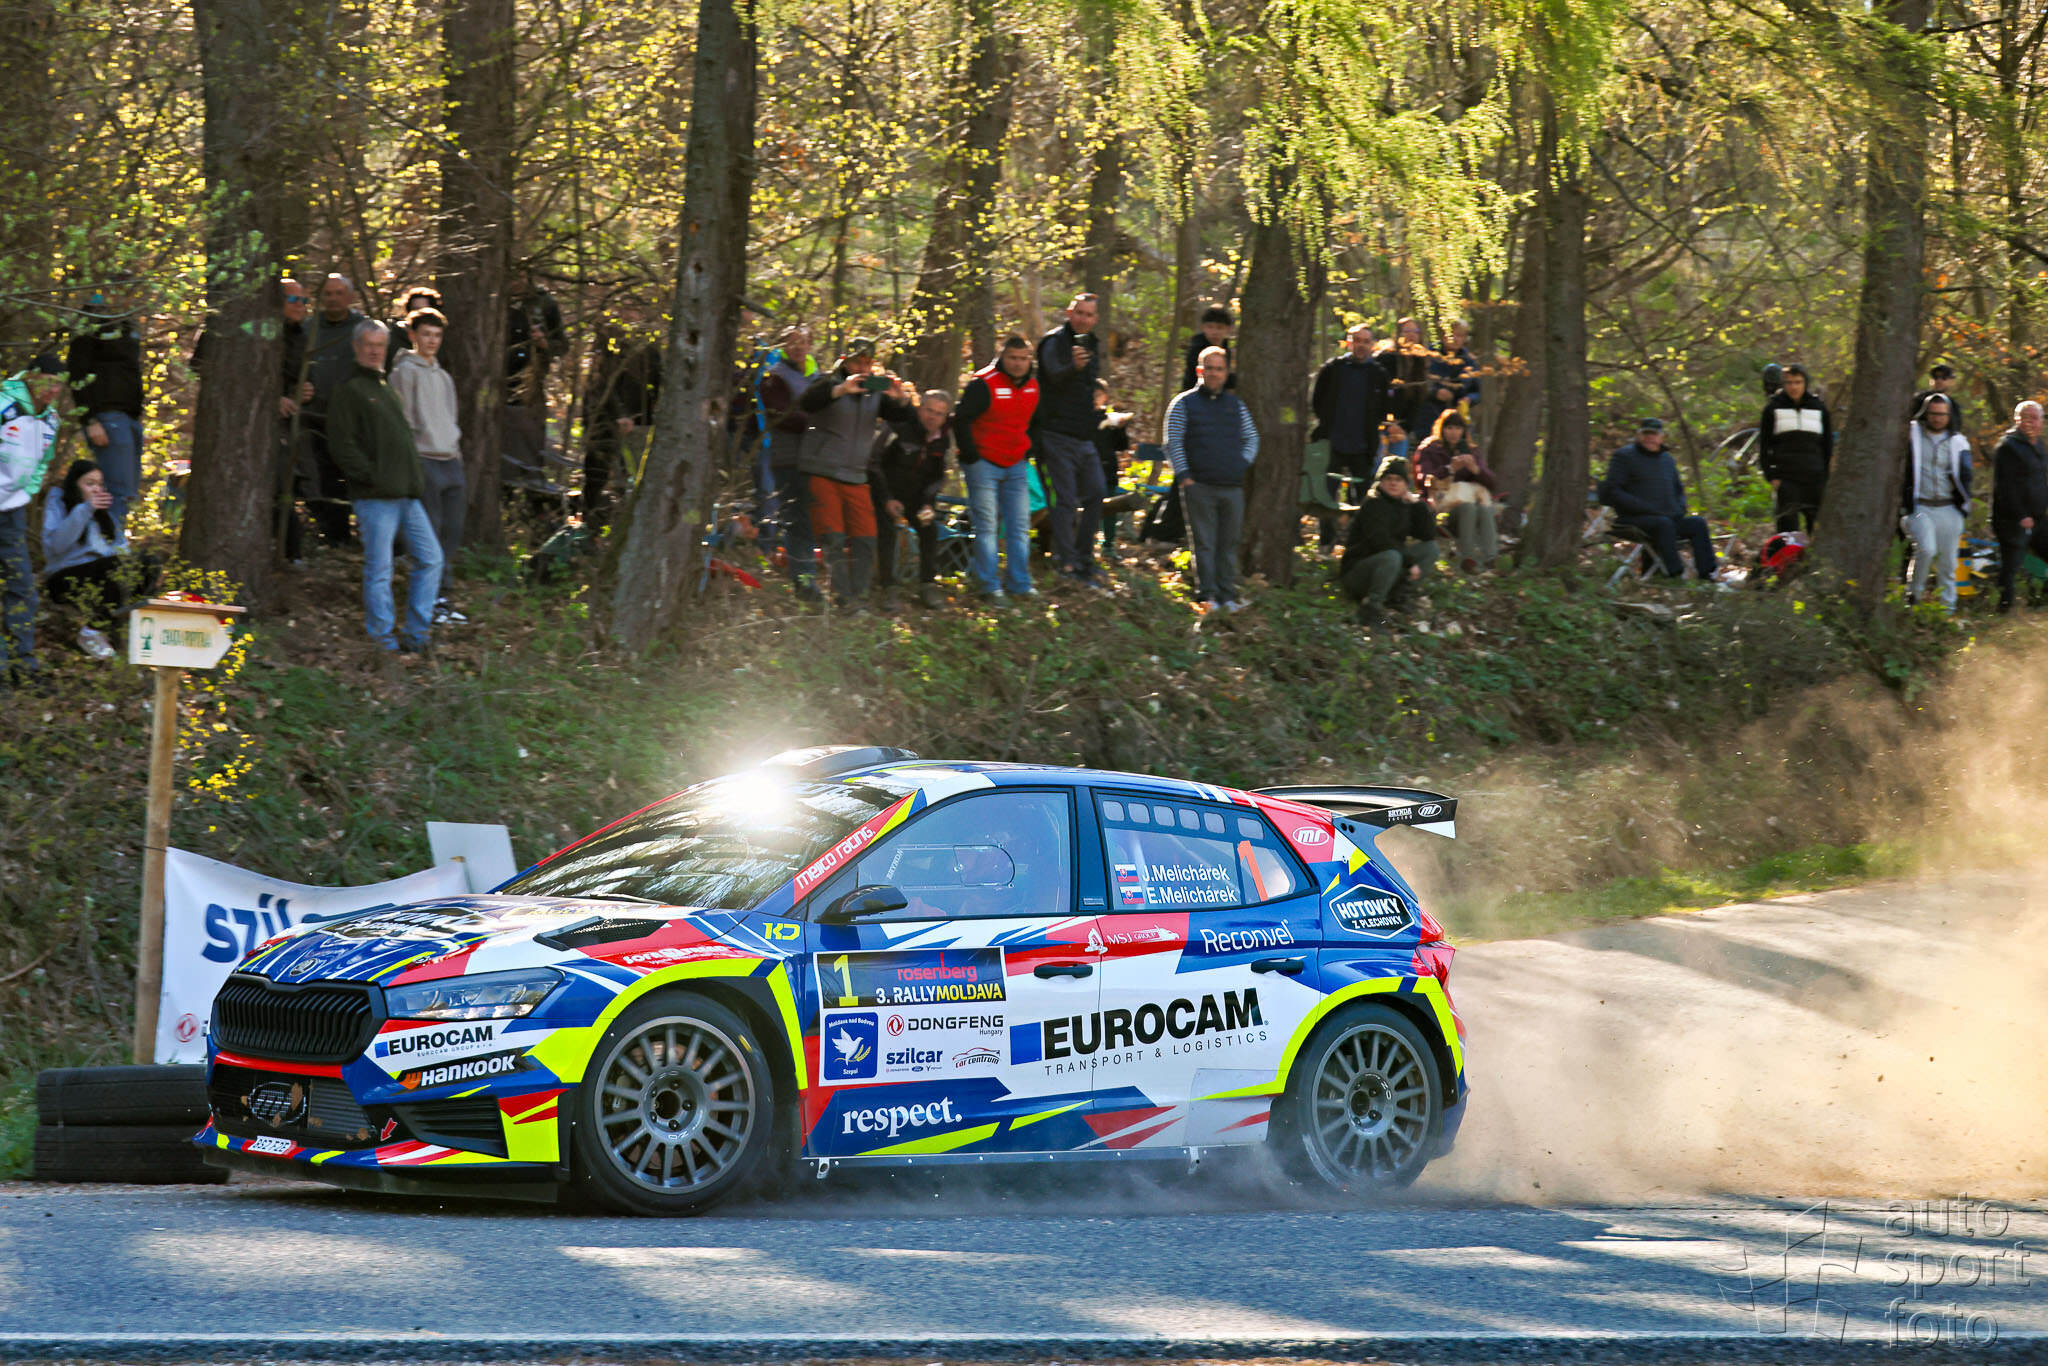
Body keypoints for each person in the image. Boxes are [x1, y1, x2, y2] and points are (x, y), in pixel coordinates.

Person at [324, 322, 444, 653]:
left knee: (431, 559)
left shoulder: (385, 388)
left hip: (406, 495)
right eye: (368, 344)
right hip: (375, 497)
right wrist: (371, 476)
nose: (374, 350)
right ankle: (383, 641)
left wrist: (411, 479)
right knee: (380, 569)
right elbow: (342, 445)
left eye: (380, 344)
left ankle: (417, 636)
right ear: (356, 347)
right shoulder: (349, 390)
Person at [797, 338, 914, 609]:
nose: (862, 367)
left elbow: (904, 419)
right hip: (823, 469)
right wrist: (841, 389)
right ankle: (843, 597)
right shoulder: (827, 382)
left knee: (866, 535)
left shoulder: (874, 390)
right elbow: (807, 403)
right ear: (844, 360)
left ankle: (859, 595)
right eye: (856, 361)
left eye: (867, 362)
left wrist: (900, 398)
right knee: (833, 536)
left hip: (856, 474)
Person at [387, 308, 465, 623]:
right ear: (412, 336)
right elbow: (401, 422)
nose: (432, 341)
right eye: (426, 334)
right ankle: (426, 602)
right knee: (428, 536)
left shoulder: (443, 377)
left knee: (450, 534)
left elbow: (451, 417)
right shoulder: (404, 373)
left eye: (437, 336)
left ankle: (443, 598)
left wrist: (456, 453)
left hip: (451, 461)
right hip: (424, 460)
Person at [1165, 344, 1258, 612]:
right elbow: (1173, 442)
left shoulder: (1235, 405)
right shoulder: (1184, 403)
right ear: (1199, 371)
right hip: (1199, 485)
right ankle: (1208, 596)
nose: (1215, 373)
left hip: (1231, 486)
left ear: (1226, 373)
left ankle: (1227, 596)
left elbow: (1252, 437)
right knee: (1204, 544)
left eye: (1220, 369)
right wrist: (1185, 476)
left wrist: (1241, 465)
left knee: (1228, 544)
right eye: (1210, 368)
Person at [42, 459, 159, 658]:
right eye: (90, 484)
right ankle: (91, 631)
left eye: (100, 484)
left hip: (102, 575)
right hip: (64, 577)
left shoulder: (105, 516)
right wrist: (85, 509)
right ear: (75, 485)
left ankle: (126, 634)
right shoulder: (59, 503)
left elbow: (121, 551)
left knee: (149, 562)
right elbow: (56, 545)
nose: (96, 489)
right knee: (115, 567)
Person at [953, 333, 1040, 600]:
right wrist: (971, 456)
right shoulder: (984, 383)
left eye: (1023, 358)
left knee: (1019, 526)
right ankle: (989, 585)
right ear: (1002, 357)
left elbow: (1036, 421)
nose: (1018, 363)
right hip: (983, 464)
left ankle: (1019, 583)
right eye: (1013, 358)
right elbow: (961, 419)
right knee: (987, 525)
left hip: (1016, 464)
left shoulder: (1033, 386)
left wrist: (1028, 451)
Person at [1033, 293, 1110, 587]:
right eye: (1079, 312)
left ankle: (1084, 559)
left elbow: (1089, 388)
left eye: (1089, 315)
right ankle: (1067, 562)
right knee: (1063, 500)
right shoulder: (1054, 342)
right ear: (1069, 312)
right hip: (1054, 434)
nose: (1083, 319)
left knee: (1096, 492)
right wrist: (1072, 368)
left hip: (1083, 436)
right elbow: (1051, 375)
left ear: (1095, 319)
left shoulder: (1093, 344)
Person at [0, 354, 65, 686]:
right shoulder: (4, 404)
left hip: (12, 512)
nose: (53, 390)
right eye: (48, 382)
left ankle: (22, 668)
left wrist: (27, 491)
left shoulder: (51, 421)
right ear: (32, 377)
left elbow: (42, 463)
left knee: (22, 586)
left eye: (59, 385)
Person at [1598, 417, 1719, 579]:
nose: (1650, 438)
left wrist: (1680, 507)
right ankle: (1674, 574)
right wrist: (1641, 506)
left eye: (1654, 434)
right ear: (1639, 435)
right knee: (1663, 524)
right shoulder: (1624, 456)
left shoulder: (1667, 460)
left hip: (1667, 518)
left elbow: (1678, 490)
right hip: (1634, 519)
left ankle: (1707, 574)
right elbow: (1613, 491)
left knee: (1697, 523)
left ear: (1662, 437)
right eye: (1646, 434)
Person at [299, 273, 369, 544]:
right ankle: (335, 537)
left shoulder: (362, 328)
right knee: (322, 479)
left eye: (339, 293)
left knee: (355, 476)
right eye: (328, 294)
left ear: (350, 297)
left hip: (354, 420)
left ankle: (367, 533)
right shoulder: (308, 329)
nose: (333, 299)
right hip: (315, 419)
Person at [66, 290, 145, 529]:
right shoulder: (90, 324)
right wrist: (90, 420)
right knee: (118, 489)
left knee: (129, 490)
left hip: (130, 417)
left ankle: (114, 539)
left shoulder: (129, 326)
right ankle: (111, 545)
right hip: (106, 417)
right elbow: (77, 373)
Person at [1310, 323, 1393, 551]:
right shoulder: (1332, 369)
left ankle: (1356, 545)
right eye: (1357, 340)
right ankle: (1326, 543)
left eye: (1366, 341)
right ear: (1348, 343)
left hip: (1363, 446)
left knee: (1363, 498)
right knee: (1326, 495)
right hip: (1332, 443)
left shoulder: (1378, 374)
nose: (1361, 345)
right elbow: (1317, 401)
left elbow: (1384, 408)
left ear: (1372, 345)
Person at [870, 388, 953, 610]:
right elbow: (874, 463)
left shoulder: (942, 438)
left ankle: (927, 585)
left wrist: (928, 502)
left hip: (917, 499)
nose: (932, 417)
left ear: (945, 417)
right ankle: (889, 588)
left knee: (929, 528)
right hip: (884, 493)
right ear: (919, 408)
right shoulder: (898, 426)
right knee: (887, 531)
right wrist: (886, 498)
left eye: (939, 413)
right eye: (929, 410)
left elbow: (938, 475)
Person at [581, 321, 661, 530]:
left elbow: (658, 380)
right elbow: (600, 384)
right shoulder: (606, 342)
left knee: (632, 479)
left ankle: (626, 527)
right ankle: (591, 528)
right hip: (604, 424)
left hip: (639, 424)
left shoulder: (650, 344)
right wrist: (619, 415)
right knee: (597, 475)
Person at [1338, 455, 1437, 626]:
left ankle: (1398, 596)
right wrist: (1409, 563)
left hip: (1388, 566)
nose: (1393, 483)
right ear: (1380, 482)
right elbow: (1380, 541)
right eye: (1388, 479)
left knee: (1431, 549)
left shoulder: (1404, 505)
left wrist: (1417, 505)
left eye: (1398, 480)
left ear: (1405, 484)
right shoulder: (1373, 504)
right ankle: (1371, 607)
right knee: (1392, 556)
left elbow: (1428, 535)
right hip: (1358, 572)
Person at [757, 325, 819, 595]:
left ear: (810, 345)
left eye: (803, 342)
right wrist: (818, 423)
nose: (798, 347)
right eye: (792, 342)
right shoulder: (774, 377)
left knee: (810, 520)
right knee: (797, 520)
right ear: (782, 346)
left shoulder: (816, 376)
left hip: (814, 459)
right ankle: (804, 582)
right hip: (788, 458)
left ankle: (808, 575)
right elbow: (781, 416)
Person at [1900, 393, 1971, 611]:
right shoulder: (1911, 435)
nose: (1938, 418)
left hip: (1948, 507)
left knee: (1948, 563)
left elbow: (1966, 476)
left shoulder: (1958, 441)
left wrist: (1963, 508)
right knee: (1926, 549)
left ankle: (1946, 611)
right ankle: (1913, 598)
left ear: (1949, 416)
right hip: (1920, 506)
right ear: (1925, 413)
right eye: (1933, 414)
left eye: (1942, 414)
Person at [1412, 410, 1500, 572]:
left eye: (1458, 428)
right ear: (1442, 429)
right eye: (1450, 428)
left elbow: (1491, 483)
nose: (1454, 433)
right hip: (1442, 507)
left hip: (1470, 502)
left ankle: (1491, 558)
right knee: (1468, 507)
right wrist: (1449, 469)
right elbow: (1424, 480)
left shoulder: (1471, 451)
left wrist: (1475, 470)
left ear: (1463, 431)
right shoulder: (1430, 449)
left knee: (1484, 509)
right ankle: (1468, 558)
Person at [1758, 363, 1833, 532]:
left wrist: (1826, 477)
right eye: (1789, 382)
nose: (1794, 387)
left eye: (1798, 382)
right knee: (1787, 531)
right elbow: (1764, 446)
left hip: (1815, 479)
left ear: (1805, 383)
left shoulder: (1819, 408)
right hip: (1787, 480)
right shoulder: (1772, 409)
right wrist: (1772, 477)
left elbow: (1827, 445)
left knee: (1818, 530)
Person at [1991, 401, 2048, 613]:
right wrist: (2021, 515)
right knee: (2011, 565)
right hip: (2013, 520)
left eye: (2035, 418)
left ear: (2041, 421)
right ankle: (2003, 610)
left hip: (2039, 517)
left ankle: (2040, 601)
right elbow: (2005, 487)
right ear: (2017, 420)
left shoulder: (2038, 445)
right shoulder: (2008, 446)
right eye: (2025, 418)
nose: (2030, 422)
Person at [1412, 319, 1480, 444]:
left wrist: (1469, 399)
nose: (1455, 339)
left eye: (1460, 335)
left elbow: (1477, 391)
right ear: (1443, 336)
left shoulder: (1469, 361)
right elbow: (1415, 384)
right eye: (1452, 335)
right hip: (1428, 419)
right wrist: (1435, 393)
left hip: (1458, 423)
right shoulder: (1428, 355)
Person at [1377, 318, 1431, 459]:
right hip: (1380, 424)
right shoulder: (1386, 358)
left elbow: (1418, 401)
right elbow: (1380, 394)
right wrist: (1389, 423)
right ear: (1398, 334)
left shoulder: (1420, 363)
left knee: (1397, 464)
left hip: (1401, 428)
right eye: (1406, 331)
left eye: (1415, 331)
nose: (1411, 335)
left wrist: (1404, 428)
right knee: (1377, 464)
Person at [1092, 379, 1134, 560]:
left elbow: (1121, 446)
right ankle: (1086, 545)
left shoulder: (1111, 420)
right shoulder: (1081, 418)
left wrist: (1121, 428)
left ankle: (1108, 545)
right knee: (1087, 508)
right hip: (1086, 471)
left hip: (1108, 470)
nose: (1094, 398)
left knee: (1110, 508)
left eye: (1098, 395)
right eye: (1091, 394)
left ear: (1105, 397)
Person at [384, 284, 443, 369]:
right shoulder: (393, 339)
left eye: (424, 310)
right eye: (415, 310)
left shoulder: (439, 340)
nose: (419, 314)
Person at [1179, 305, 1235, 391]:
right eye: (1210, 327)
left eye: (1219, 328)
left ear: (1228, 329)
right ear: (1203, 328)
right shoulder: (1196, 349)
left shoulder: (1226, 350)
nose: (1214, 332)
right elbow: (1209, 377)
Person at [1911, 363, 1967, 434]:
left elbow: (1955, 429)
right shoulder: (1919, 399)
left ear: (1952, 381)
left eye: (1944, 377)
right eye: (1935, 377)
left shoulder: (1954, 406)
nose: (1939, 381)